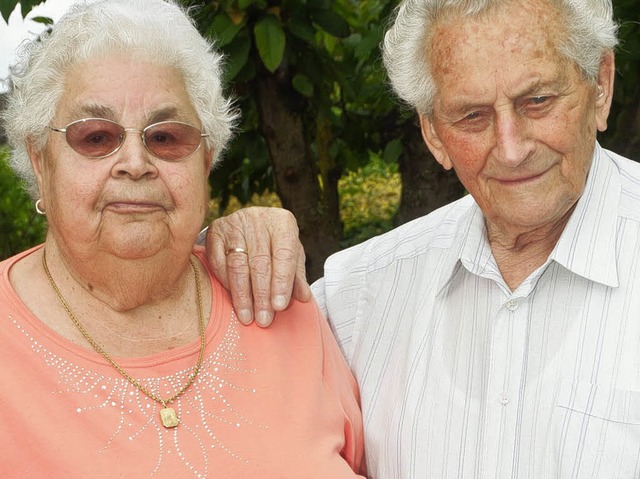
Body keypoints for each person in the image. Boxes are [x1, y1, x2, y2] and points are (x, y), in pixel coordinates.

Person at [205, 0, 640, 477]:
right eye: (472, 116)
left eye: (537, 101)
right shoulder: (359, 295)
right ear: (432, 133)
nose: (512, 149)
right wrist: (230, 246)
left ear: (601, 84)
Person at [0, 1, 366, 477]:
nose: (135, 162)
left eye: (166, 138)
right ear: (40, 161)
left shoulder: (277, 302)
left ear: (207, 161)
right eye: (95, 138)